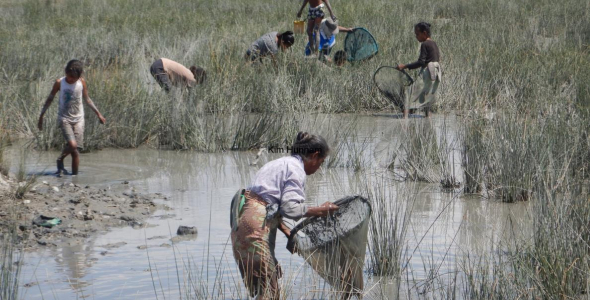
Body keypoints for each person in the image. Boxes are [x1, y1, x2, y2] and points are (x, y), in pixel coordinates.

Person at [230, 132, 339, 300]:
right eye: (321, 162)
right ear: (315, 156)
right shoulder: (296, 169)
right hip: (255, 230)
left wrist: (289, 234)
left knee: (265, 286)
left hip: (241, 229)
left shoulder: (278, 164)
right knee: (270, 292)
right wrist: (321, 210)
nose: (319, 168)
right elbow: (291, 209)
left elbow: (269, 207)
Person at [37, 60, 106, 176]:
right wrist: (41, 116)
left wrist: (98, 114)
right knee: (73, 145)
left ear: (79, 76)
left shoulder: (81, 83)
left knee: (76, 150)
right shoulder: (60, 82)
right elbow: (50, 99)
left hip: (79, 119)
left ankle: (74, 178)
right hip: (64, 118)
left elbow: (87, 99)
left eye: (74, 78)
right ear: (65, 72)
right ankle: (60, 158)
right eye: (69, 77)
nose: (71, 80)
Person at [396, 22, 441, 118]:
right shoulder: (434, 43)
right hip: (436, 73)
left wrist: (405, 66)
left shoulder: (425, 44)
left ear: (424, 33)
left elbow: (421, 62)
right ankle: (427, 117)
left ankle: (404, 119)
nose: (416, 36)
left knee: (409, 93)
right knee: (427, 95)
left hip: (428, 72)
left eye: (417, 34)